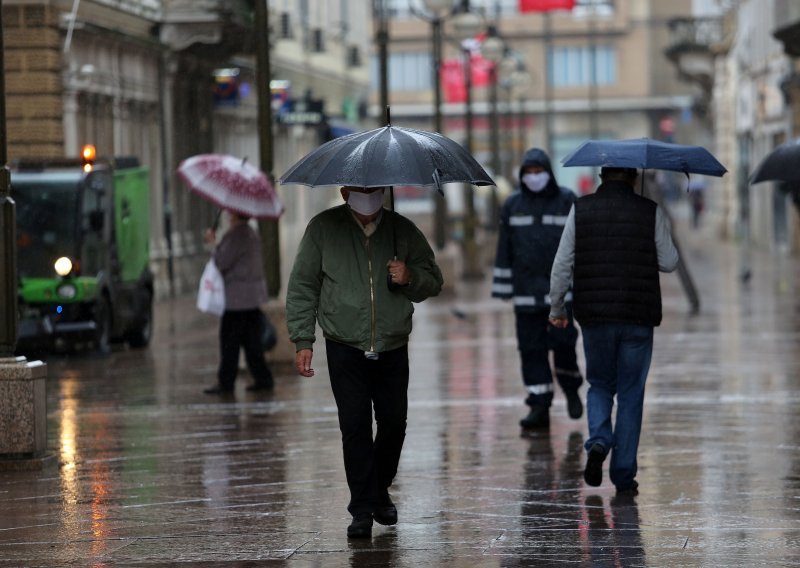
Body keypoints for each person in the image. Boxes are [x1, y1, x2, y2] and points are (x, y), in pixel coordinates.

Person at [286, 186, 443, 539]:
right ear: (344, 192)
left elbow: (433, 281)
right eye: (360, 190)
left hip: (391, 345)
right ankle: (362, 508)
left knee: (393, 423)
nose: (368, 196)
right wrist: (303, 339)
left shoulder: (402, 230)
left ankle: (378, 489)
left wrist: (409, 277)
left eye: (374, 190)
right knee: (354, 425)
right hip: (344, 344)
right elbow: (303, 286)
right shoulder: (323, 229)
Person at [548, 166, 679, 495]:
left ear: (602, 176)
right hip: (638, 316)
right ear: (634, 178)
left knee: (600, 384)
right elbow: (670, 261)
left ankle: (599, 442)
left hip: (595, 317)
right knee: (631, 393)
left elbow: (562, 264)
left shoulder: (581, 209)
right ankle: (623, 474)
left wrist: (557, 308)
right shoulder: (649, 210)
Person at [492, 147, 584, 430]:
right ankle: (539, 405)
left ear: (548, 172)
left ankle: (570, 388)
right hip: (525, 293)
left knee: (564, 344)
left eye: (538, 171)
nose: (534, 177)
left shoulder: (566, 200)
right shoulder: (513, 204)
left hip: (560, 294)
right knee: (531, 350)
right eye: (529, 173)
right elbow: (504, 248)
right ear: (522, 175)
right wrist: (503, 287)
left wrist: (580, 285)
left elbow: (579, 246)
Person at [203, 210, 274, 394]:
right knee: (252, 342)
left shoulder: (236, 235)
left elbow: (221, 261)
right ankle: (263, 378)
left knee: (229, 342)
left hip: (237, 300)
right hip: (251, 298)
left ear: (235, 214)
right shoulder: (250, 233)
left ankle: (226, 383)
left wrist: (212, 243)